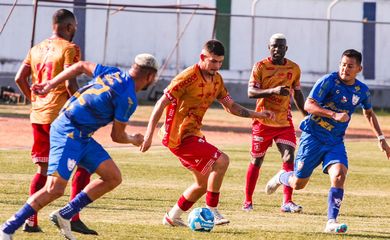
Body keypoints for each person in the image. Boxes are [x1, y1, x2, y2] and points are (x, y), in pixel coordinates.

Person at [0, 53, 159, 240]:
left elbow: (81, 65)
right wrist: (134, 139)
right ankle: (7, 228)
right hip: (68, 131)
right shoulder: (128, 99)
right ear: (150, 77)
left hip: (82, 135)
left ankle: (65, 214)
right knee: (54, 189)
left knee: (113, 177)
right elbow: (116, 136)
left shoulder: (113, 72)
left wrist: (50, 83)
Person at [140, 39, 275, 227]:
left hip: (192, 134)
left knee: (202, 184)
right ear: (202, 57)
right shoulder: (187, 77)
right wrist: (148, 135)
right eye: (213, 61)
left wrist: (258, 114)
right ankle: (212, 211)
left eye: (220, 62)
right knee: (222, 160)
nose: (216, 66)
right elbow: (161, 102)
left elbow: (231, 106)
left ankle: (172, 217)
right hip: (177, 137)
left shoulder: (217, 80)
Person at [265, 49, 390, 233]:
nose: (345, 69)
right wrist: (333, 114)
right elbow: (308, 105)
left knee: (339, 174)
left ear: (359, 69)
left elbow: (369, 113)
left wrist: (381, 138)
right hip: (313, 138)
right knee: (298, 184)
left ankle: (331, 222)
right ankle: (281, 177)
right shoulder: (328, 81)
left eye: (350, 66)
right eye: (343, 64)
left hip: (335, 142)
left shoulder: (362, 90)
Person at [13, 9, 96, 235]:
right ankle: (72, 215)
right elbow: (70, 84)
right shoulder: (70, 49)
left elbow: (19, 78)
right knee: (86, 163)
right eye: (74, 29)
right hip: (62, 118)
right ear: (69, 28)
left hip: (39, 115)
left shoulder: (36, 49)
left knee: (42, 170)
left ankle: (31, 221)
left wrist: (33, 98)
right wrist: (84, 109)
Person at [242, 33, 307, 213]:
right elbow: (251, 92)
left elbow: (298, 93)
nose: (277, 49)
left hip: (284, 121)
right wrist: (273, 90)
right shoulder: (260, 66)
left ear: (286, 48)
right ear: (269, 47)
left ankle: (287, 201)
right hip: (263, 120)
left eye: (281, 46)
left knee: (289, 157)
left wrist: (306, 115)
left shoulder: (294, 68)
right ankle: (247, 201)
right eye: (274, 46)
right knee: (257, 160)